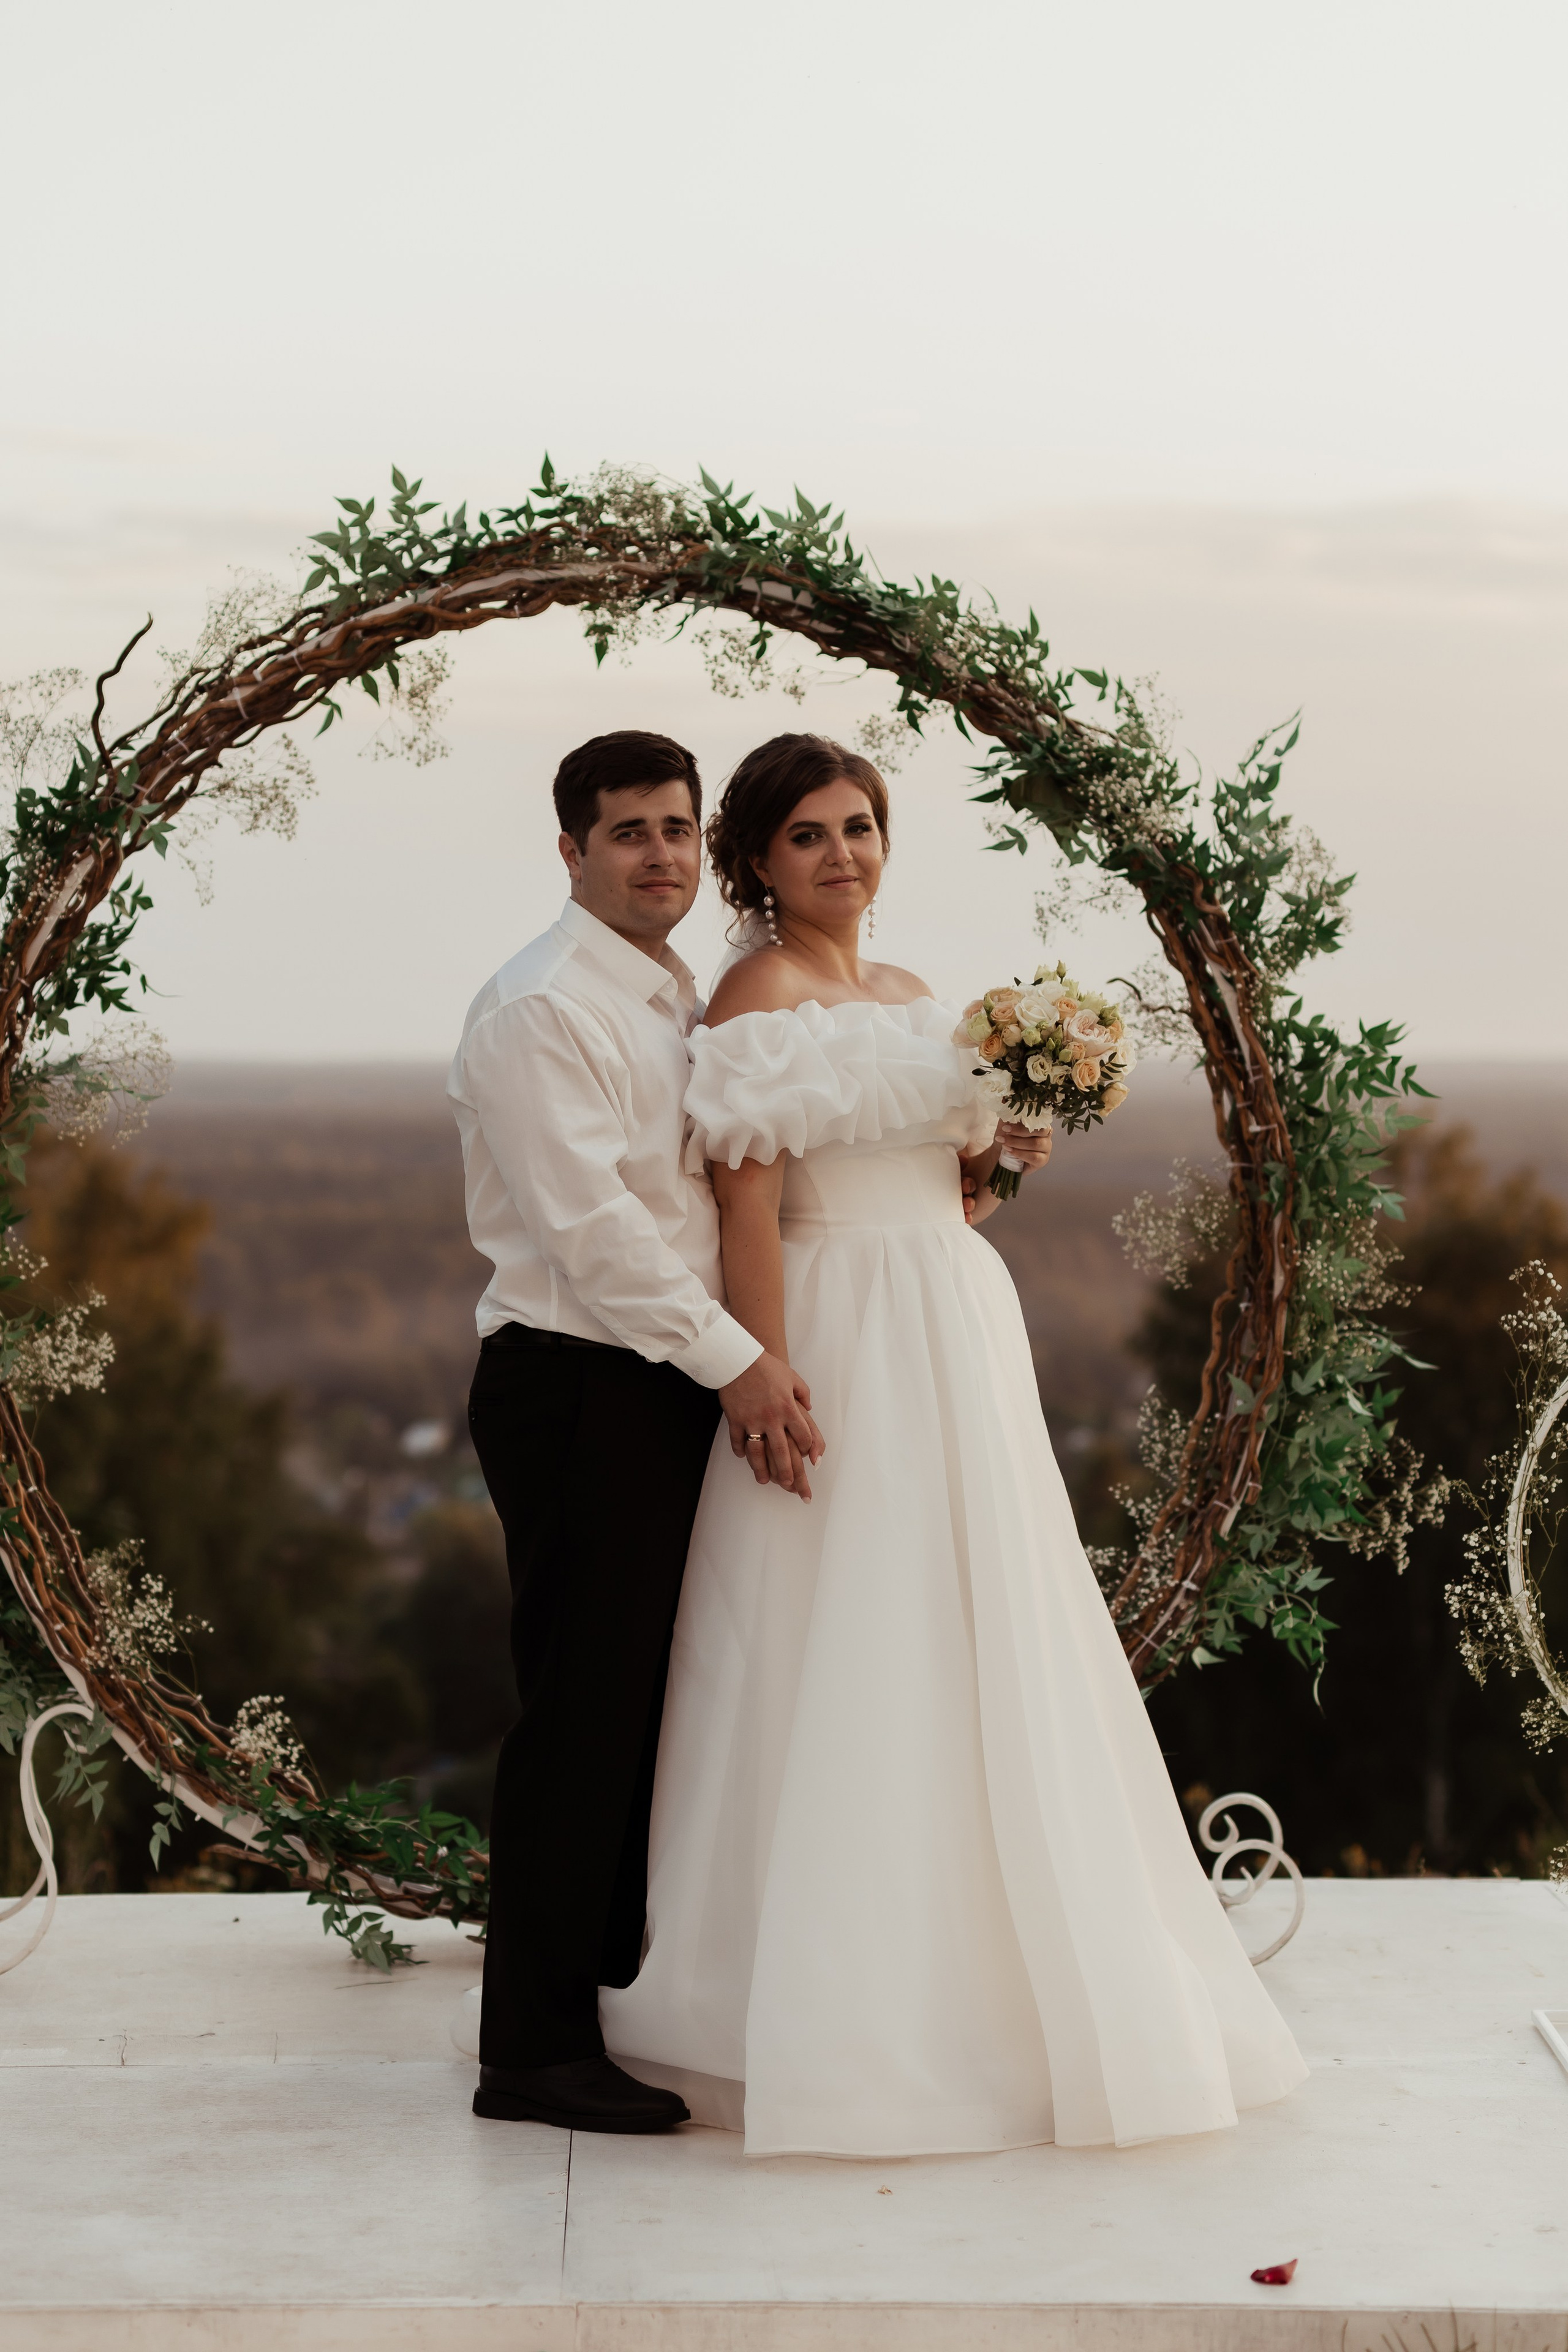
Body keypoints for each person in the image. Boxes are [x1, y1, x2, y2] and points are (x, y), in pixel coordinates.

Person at [600, 731, 1308, 2157]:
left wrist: (992, 1160)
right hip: (838, 1321)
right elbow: (749, 1205)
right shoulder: (757, 992)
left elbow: (946, 1194)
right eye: (807, 835)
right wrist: (761, 1372)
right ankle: (827, 2001)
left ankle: (993, 1975)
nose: (842, 854)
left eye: (859, 825)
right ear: (755, 861)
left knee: (969, 1621)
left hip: (952, 1314)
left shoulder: (919, 998)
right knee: (832, 1627)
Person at [449, 729, 824, 2136]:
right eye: (627, 833)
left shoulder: (669, 992)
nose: (659, 854)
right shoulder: (542, 1009)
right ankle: (531, 2054)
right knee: (581, 1712)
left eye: (676, 827)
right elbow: (594, 1237)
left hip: (654, 1377)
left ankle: (602, 1986)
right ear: (570, 851)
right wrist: (740, 1362)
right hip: (576, 1381)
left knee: (647, 1706)